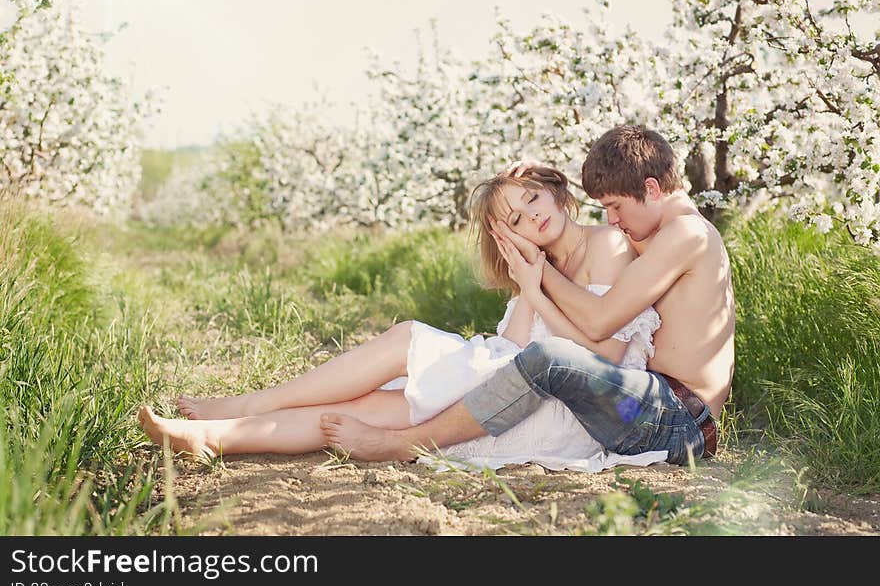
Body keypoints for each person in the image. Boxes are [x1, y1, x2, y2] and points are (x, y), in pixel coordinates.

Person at [137, 163, 666, 471]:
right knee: (364, 407)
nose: (532, 214)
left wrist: (537, 285)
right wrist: (530, 282)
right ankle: (215, 436)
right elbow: (515, 344)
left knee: (407, 338)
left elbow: (601, 360)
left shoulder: (608, 244)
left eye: (532, 198)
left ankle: (251, 405)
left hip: (565, 411)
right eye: (514, 219)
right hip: (512, 386)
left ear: (555, 190)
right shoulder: (539, 265)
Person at [317, 125, 735, 466]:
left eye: (615, 207)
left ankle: (405, 445)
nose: (612, 219)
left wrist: (538, 277)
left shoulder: (687, 234)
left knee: (549, 359)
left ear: (653, 188)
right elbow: (605, 234)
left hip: (678, 422)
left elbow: (600, 318)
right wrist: (548, 182)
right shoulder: (667, 234)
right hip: (647, 404)